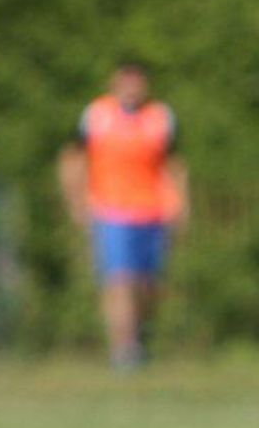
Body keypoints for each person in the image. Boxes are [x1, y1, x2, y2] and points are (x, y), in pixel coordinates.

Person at [58, 62, 188, 369]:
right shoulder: (97, 116)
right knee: (119, 280)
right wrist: (76, 200)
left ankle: (137, 333)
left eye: (137, 83)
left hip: (153, 209)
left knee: (147, 284)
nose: (131, 89)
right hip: (110, 209)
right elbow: (72, 157)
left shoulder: (159, 118)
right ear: (114, 84)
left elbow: (174, 164)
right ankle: (124, 349)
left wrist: (181, 204)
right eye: (125, 83)